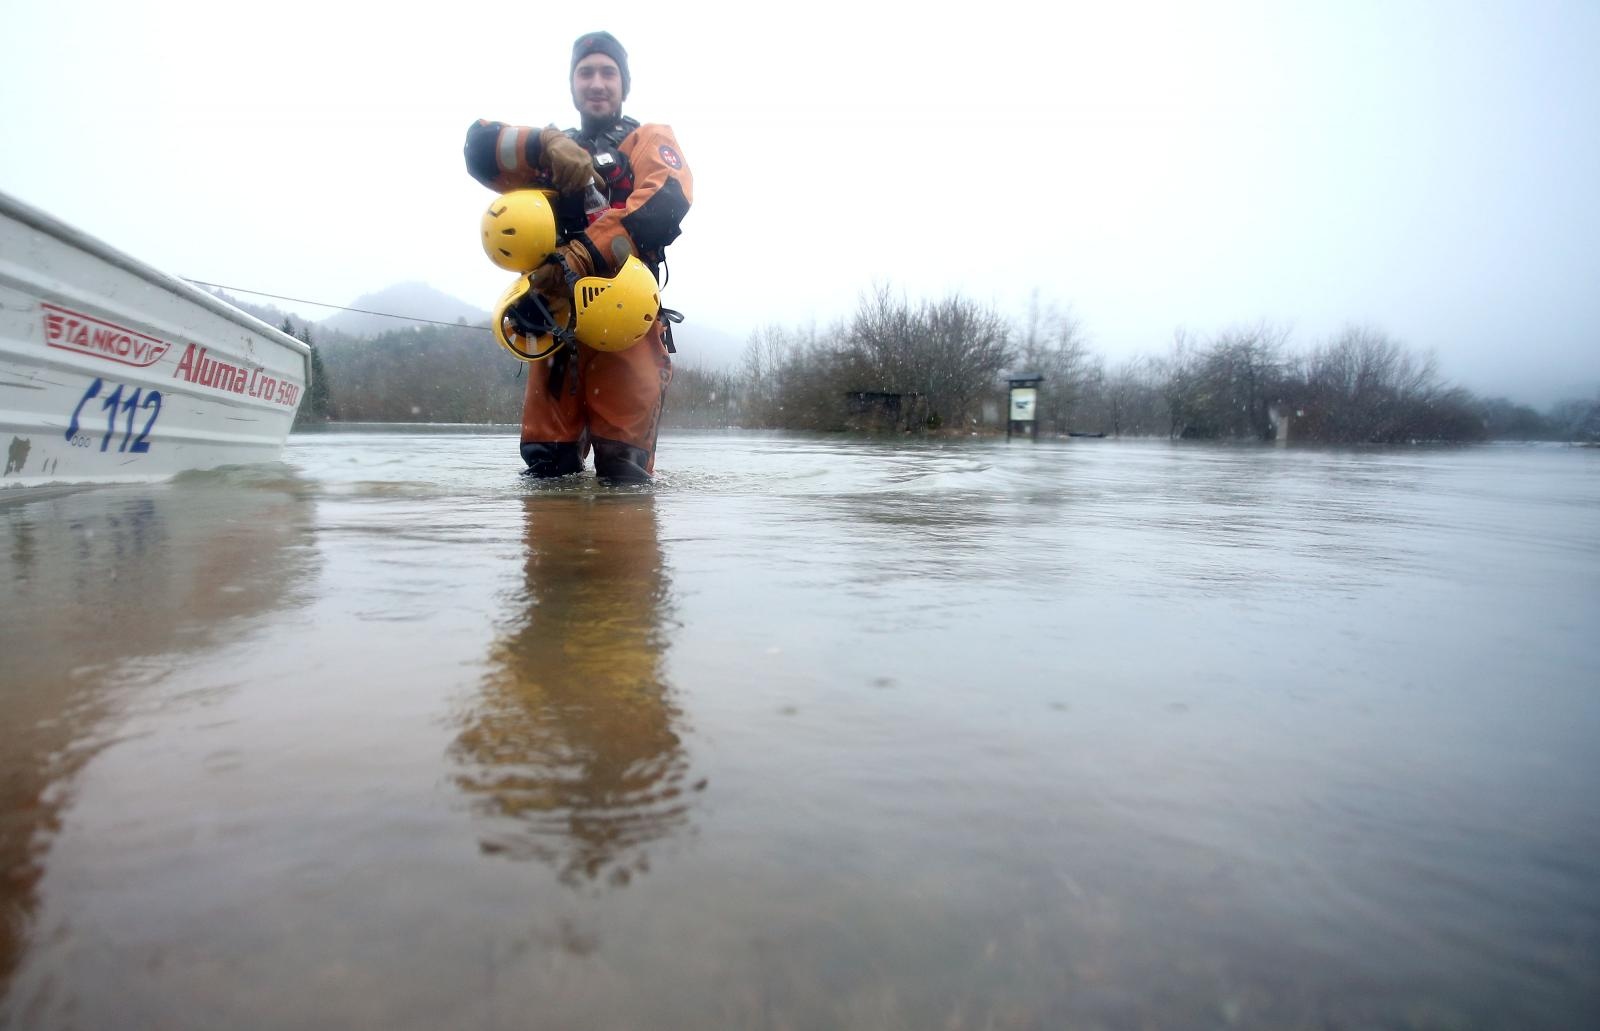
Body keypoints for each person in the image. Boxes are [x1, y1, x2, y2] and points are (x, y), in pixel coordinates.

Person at [464, 31, 692, 484]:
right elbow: (477, 149)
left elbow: (667, 202)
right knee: (547, 465)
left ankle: (620, 551)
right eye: (586, 72)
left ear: (624, 85)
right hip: (554, 322)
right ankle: (554, 551)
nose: (597, 82)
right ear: (572, 85)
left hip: (626, 316)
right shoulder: (550, 151)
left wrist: (583, 254)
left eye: (608, 73)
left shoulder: (649, 139)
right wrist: (544, 142)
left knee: (623, 470)